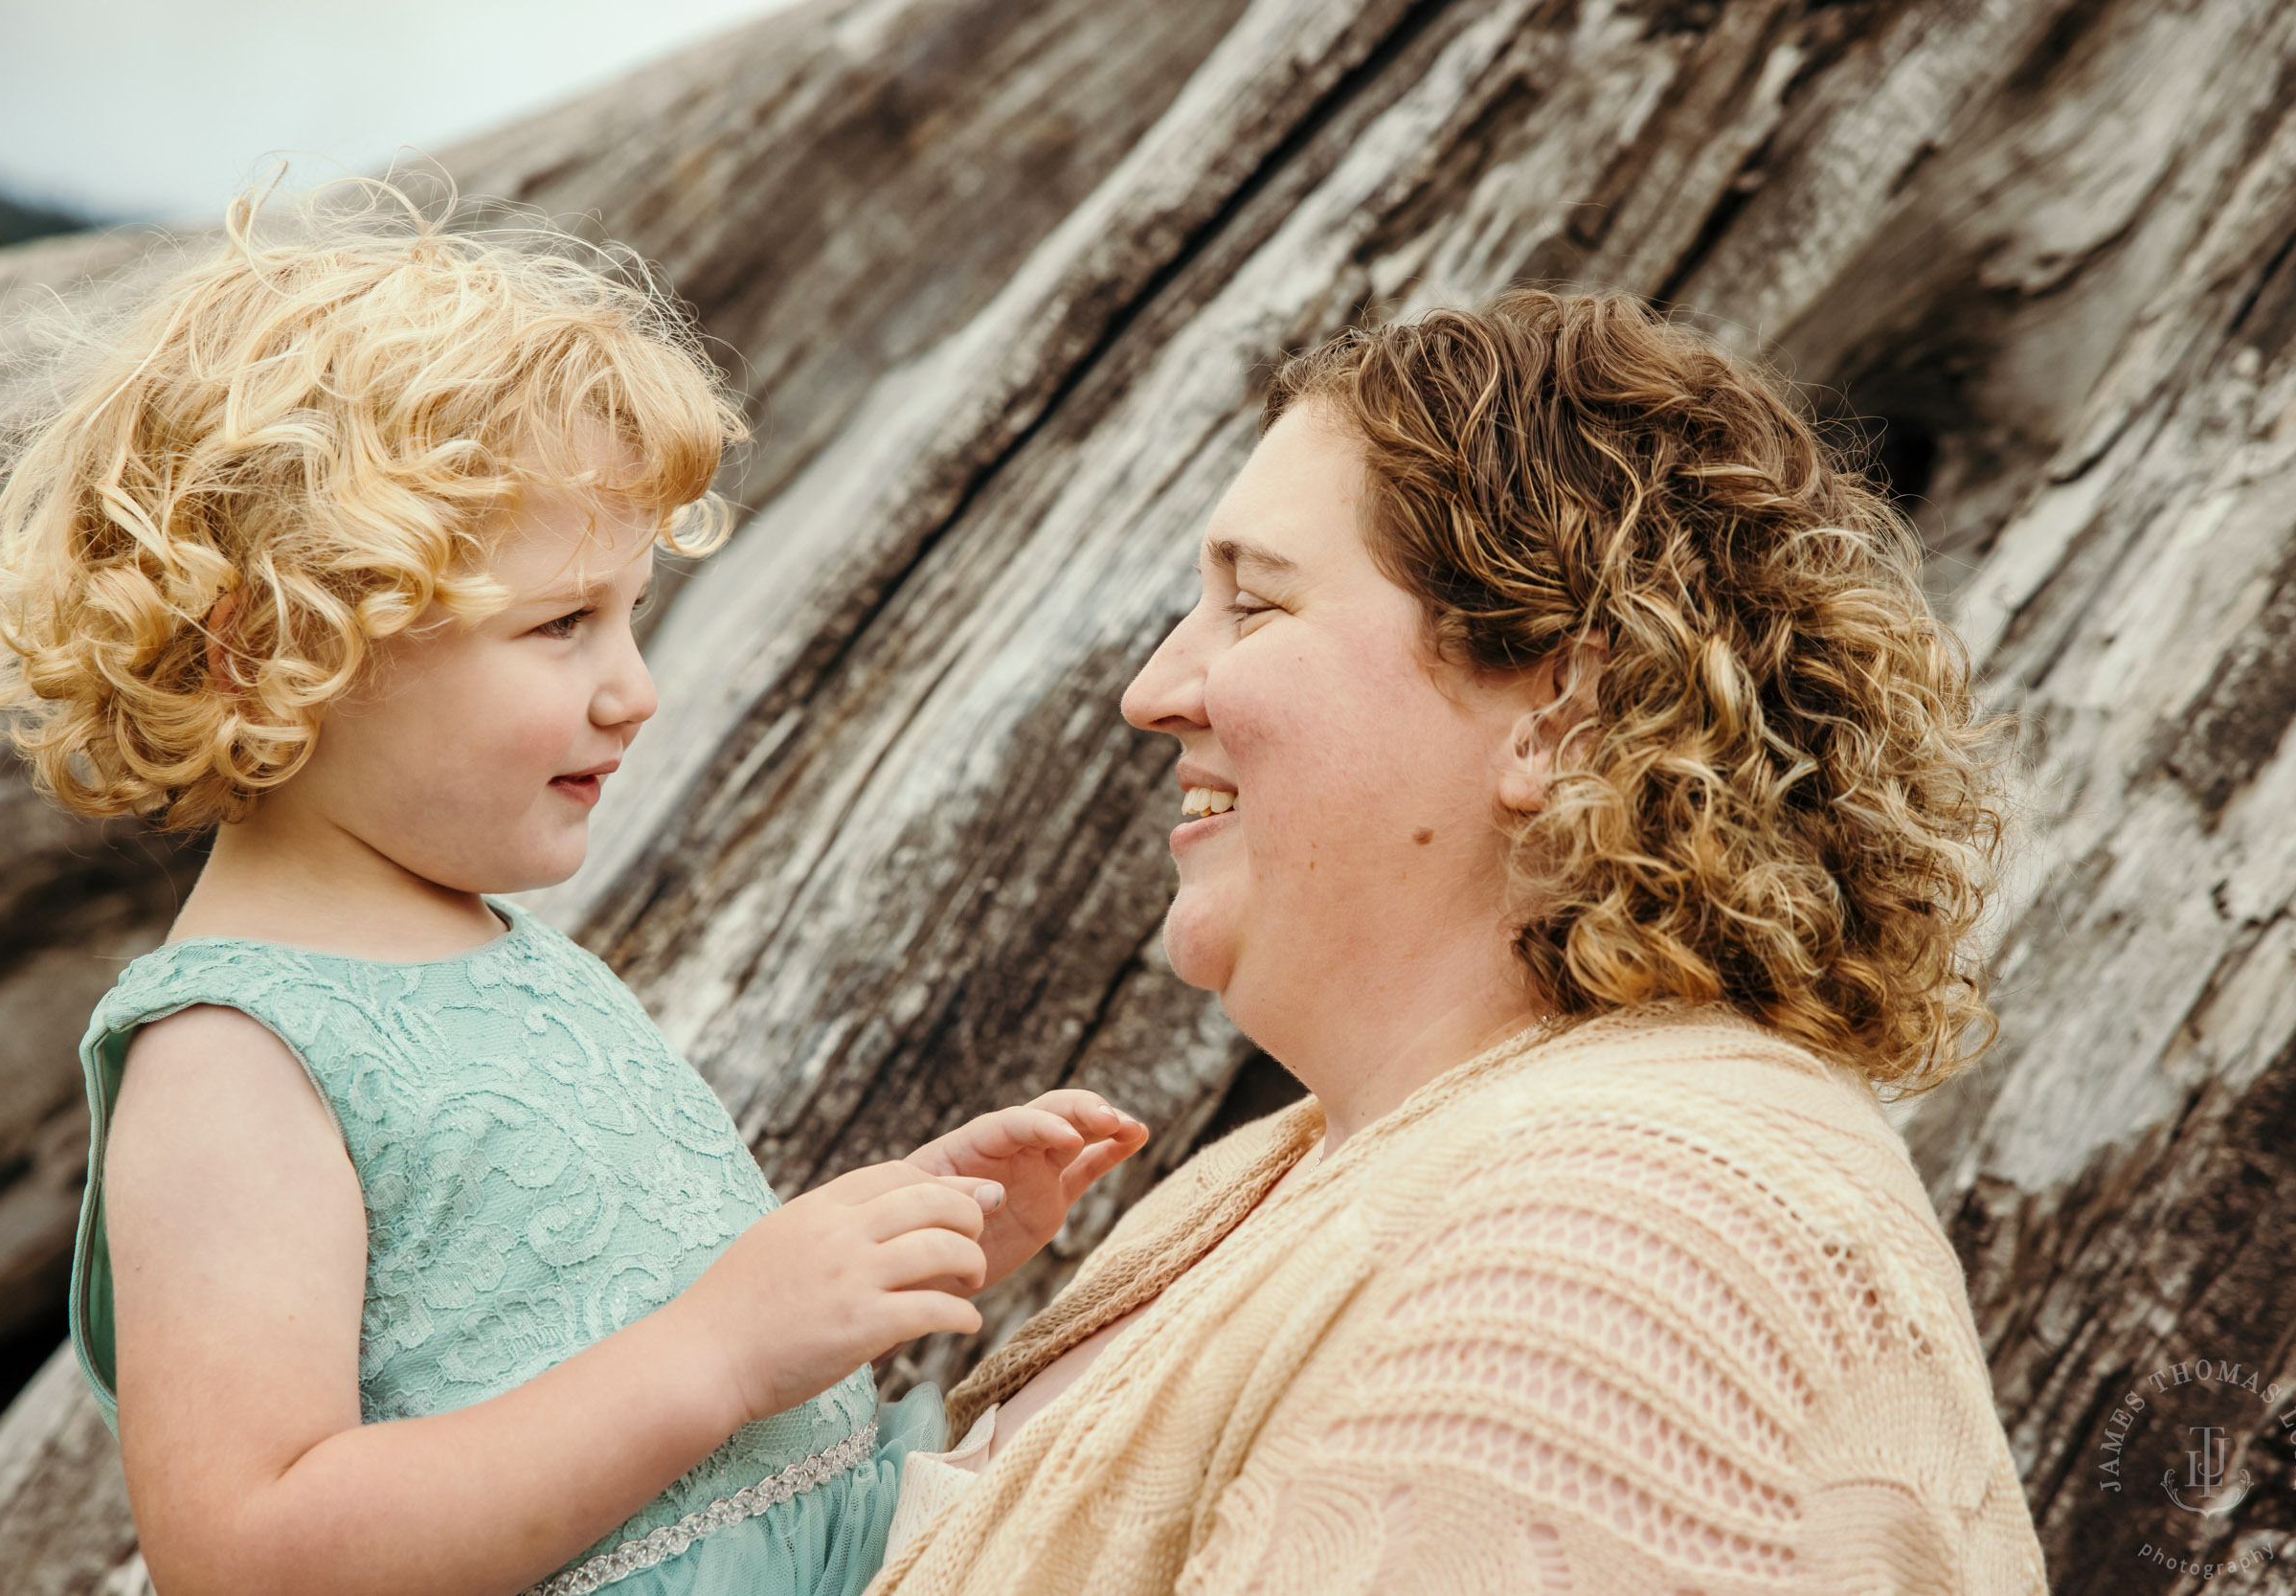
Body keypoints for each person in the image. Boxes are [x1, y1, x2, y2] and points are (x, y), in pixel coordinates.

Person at [0, 178, 1149, 1596]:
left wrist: (878, 1248)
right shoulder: (232, 1060)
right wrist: (716, 1349)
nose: (635, 689)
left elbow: (588, 1313)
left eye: (629, 614)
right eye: (560, 625)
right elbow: (247, 1555)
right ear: (272, 646)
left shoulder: (503, 949)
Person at [871, 289, 2051, 1593]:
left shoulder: (1626, 1247)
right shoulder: (1302, 1172)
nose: (1151, 691)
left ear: (1557, 706)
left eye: (1254, 608)